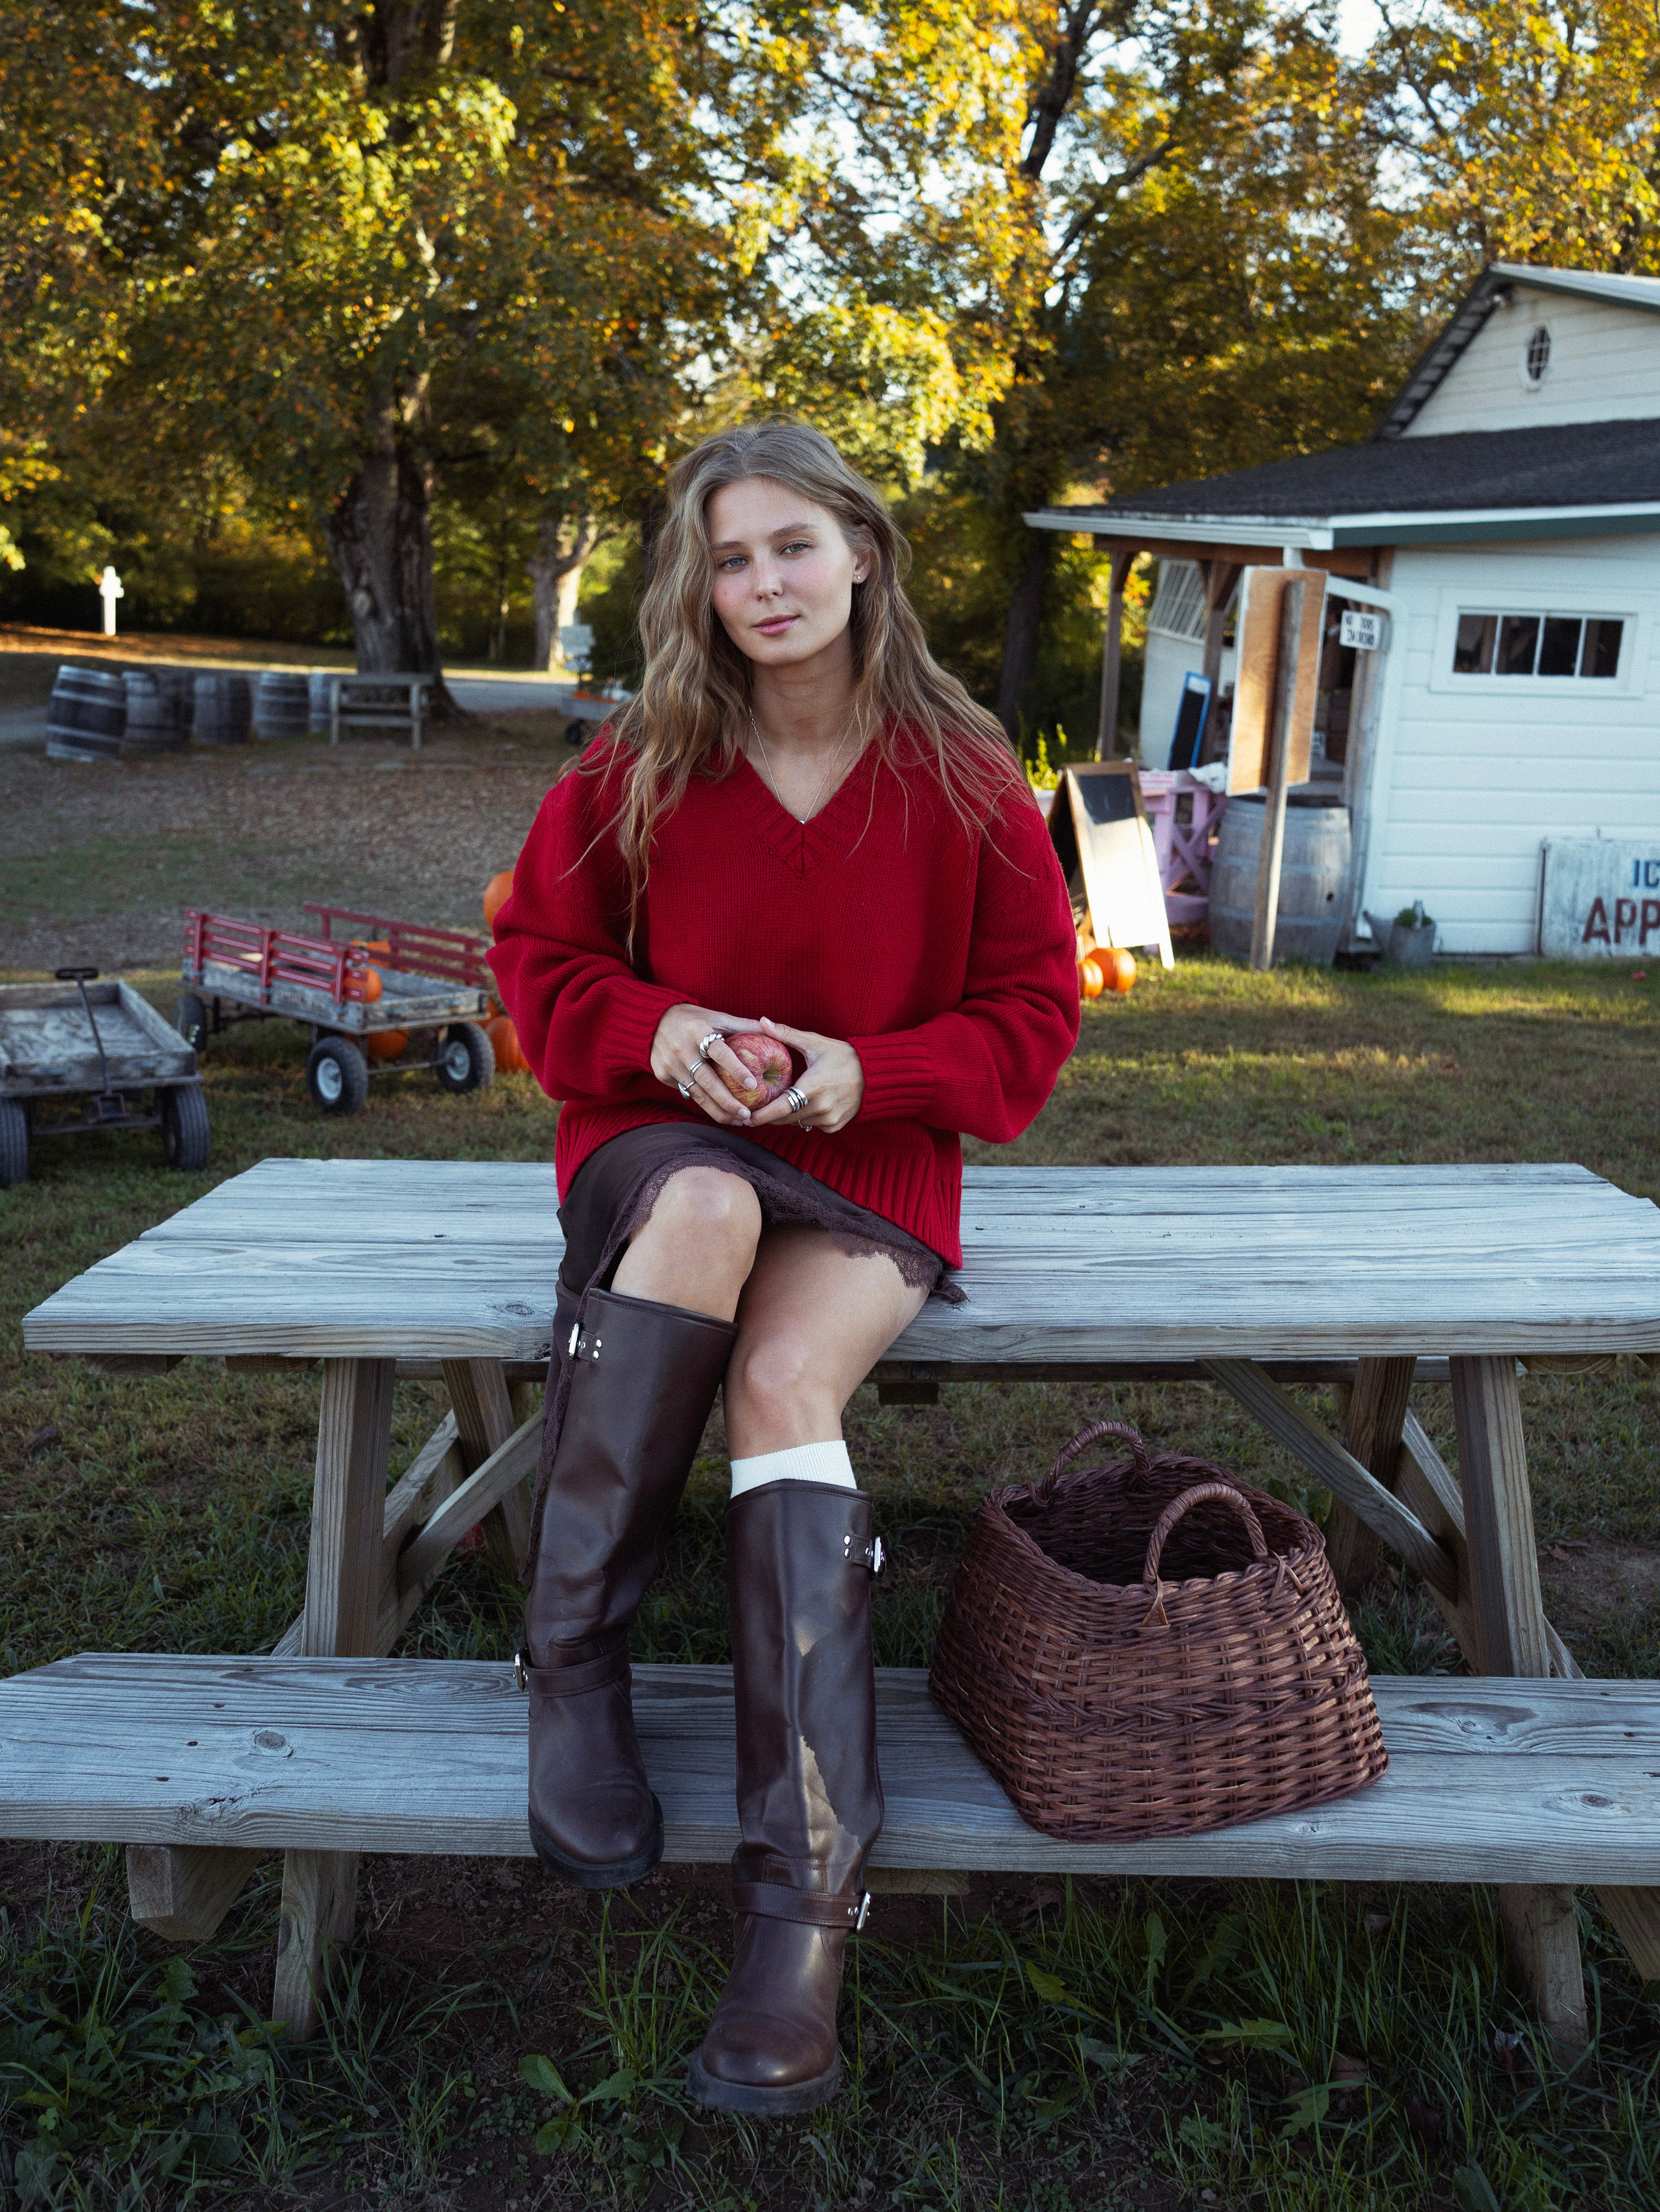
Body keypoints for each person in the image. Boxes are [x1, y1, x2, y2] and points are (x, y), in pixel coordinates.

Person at [489, 420, 1078, 2119]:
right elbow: (538, 963)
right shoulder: (642, 761)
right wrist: (665, 1029)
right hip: (659, 1142)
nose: (763, 585)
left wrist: (864, 1073)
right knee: (704, 1216)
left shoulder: (965, 776)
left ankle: (802, 1903)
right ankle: (573, 1668)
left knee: (782, 1377)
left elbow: (1033, 1017)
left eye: (793, 547)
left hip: (870, 1158)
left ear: (864, 552)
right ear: (700, 585)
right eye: (730, 558)